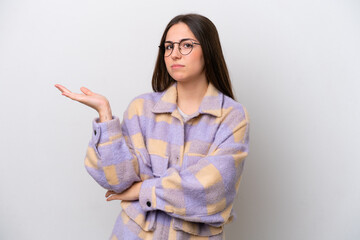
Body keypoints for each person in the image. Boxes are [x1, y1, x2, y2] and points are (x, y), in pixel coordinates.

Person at [55, 13, 249, 240]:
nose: (174, 54)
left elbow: (212, 192)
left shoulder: (232, 117)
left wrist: (142, 189)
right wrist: (105, 117)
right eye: (168, 47)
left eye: (186, 45)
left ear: (208, 49)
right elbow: (118, 180)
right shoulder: (142, 109)